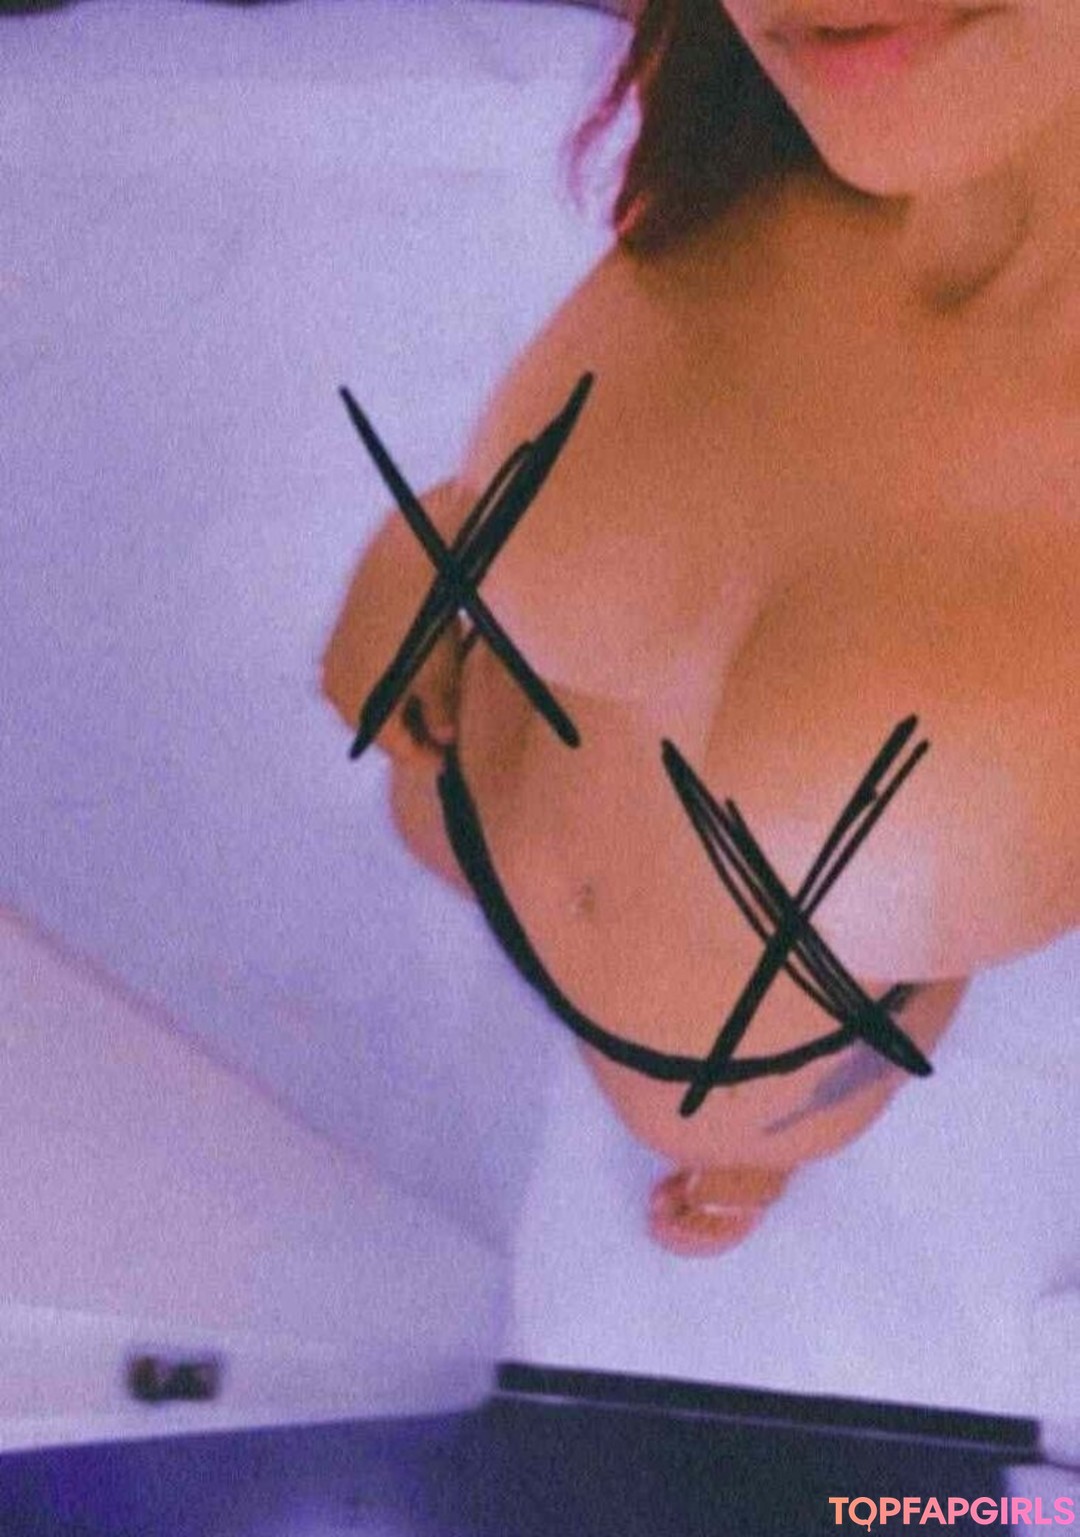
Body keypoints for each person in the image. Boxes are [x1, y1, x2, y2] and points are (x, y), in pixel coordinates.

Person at [323, 0, 1079, 1255]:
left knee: (736, 1125)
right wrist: (433, 545)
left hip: (728, 1076)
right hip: (464, 798)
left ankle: (750, 1158)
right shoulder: (768, 101)